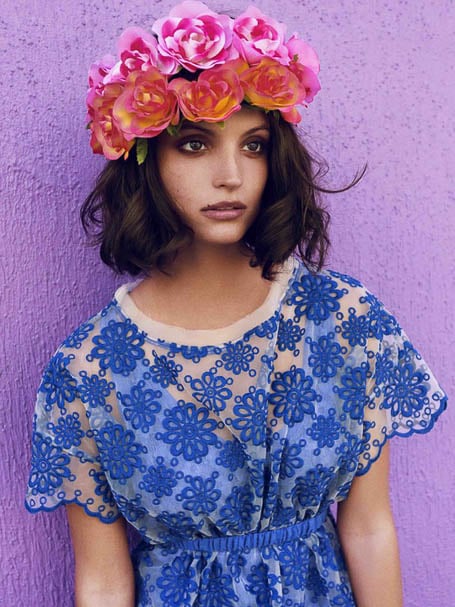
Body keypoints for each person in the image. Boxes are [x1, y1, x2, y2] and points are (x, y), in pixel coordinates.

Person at [25, 3, 447, 606]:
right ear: (145, 161)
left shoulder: (346, 322)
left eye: (253, 146)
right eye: (195, 144)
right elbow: (100, 578)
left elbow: (370, 527)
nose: (231, 176)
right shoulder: (90, 368)